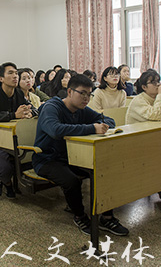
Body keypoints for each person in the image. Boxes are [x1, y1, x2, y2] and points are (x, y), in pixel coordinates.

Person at [32, 74, 129, 236]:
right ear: (69, 92)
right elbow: (55, 130)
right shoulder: (52, 107)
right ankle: (80, 216)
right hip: (46, 159)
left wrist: (100, 125)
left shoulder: (81, 109)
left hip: (73, 156)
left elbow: (108, 120)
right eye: (82, 93)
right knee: (71, 180)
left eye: (89, 94)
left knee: (103, 172)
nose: (86, 98)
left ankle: (107, 217)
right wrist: (92, 128)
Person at [0, 62, 36, 199]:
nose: (15, 76)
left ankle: (3, 177)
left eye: (16, 73)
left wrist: (30, 113)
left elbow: (32, 108)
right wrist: (13, 115)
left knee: (26, 158)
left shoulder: (18, 93)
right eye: (10, 73)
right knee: (6, 167)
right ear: (1, 78)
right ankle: (7, 183)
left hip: (13, 139)